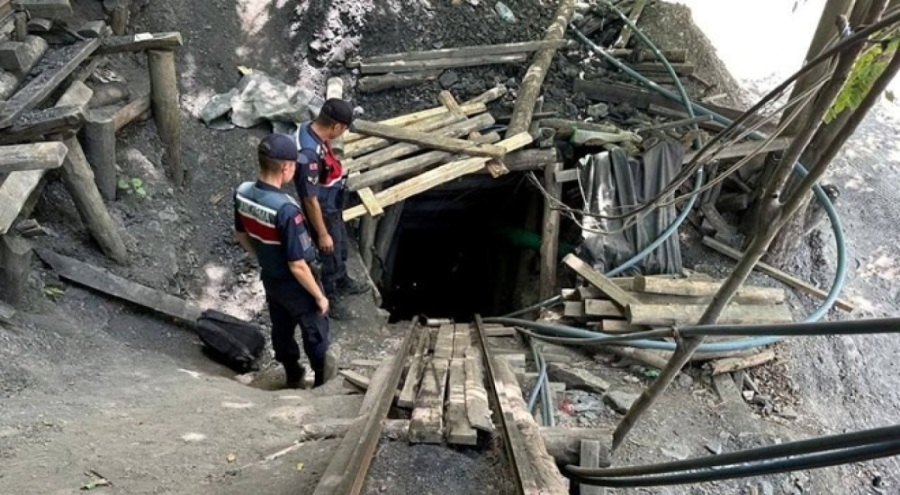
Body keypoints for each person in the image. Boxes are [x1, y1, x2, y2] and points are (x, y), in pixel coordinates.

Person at [233, 133, 332, 388]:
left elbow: (241, 235)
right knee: (315, 330)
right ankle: (321, 381)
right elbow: (297, 264)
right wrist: (319, 297)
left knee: (281, 326)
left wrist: (264, 256)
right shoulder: (286, 209)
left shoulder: (242, 193)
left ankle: (292, 373)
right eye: (295, 164)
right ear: (286, 167)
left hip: (271, 278)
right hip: (295, 283)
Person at [294, 98, 369, 319]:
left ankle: (342, 279)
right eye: (344, 128)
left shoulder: (315, 132)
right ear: (336, 126)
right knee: (329, 253)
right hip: (323, 212)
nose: (344, 132)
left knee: (341, 247)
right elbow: (310, 199)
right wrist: (323, 233)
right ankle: (330, 296)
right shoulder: (309, 154)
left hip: (332, 205)